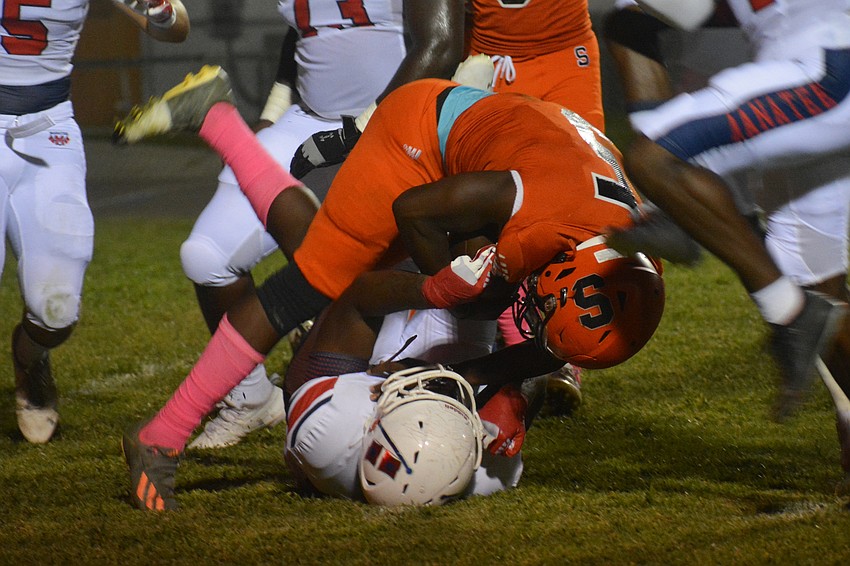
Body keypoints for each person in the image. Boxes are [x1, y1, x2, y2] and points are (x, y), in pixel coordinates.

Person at [113, 66, 665, 510]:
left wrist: (511, 390)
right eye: (547, 310)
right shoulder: (544, 214)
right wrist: (442, 287)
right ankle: (161, 436)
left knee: (341, 255)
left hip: (495, 154)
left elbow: (537, 309)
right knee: (306, 288)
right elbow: (414, 210)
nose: (539, 315)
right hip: (417, 138)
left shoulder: (625, 252)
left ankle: (218, 119)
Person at [165, 0, 465, 450]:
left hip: (402, 123)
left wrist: (359, 130)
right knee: (206, 255)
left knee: (388, 295)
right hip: (306, 121)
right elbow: (308, 32)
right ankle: (250, 398)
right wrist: (274, 109)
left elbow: (442, 45)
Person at [604, 0, 850, 492]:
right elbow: (706, 13)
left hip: (825, 68)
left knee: (655, 156)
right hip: (811, 75)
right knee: (819, 281)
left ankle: (786, 310)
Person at [0, 0, 189, 444]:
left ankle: (30, 358)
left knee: (57, 310)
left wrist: (160, 11)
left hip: (48, 128)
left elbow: (175, 29)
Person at [464, 0, 608, 415]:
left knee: (579, 200)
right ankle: (520, 343)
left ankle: (568, 346)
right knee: (498, 209)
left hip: (567, 54)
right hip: (489, 58)